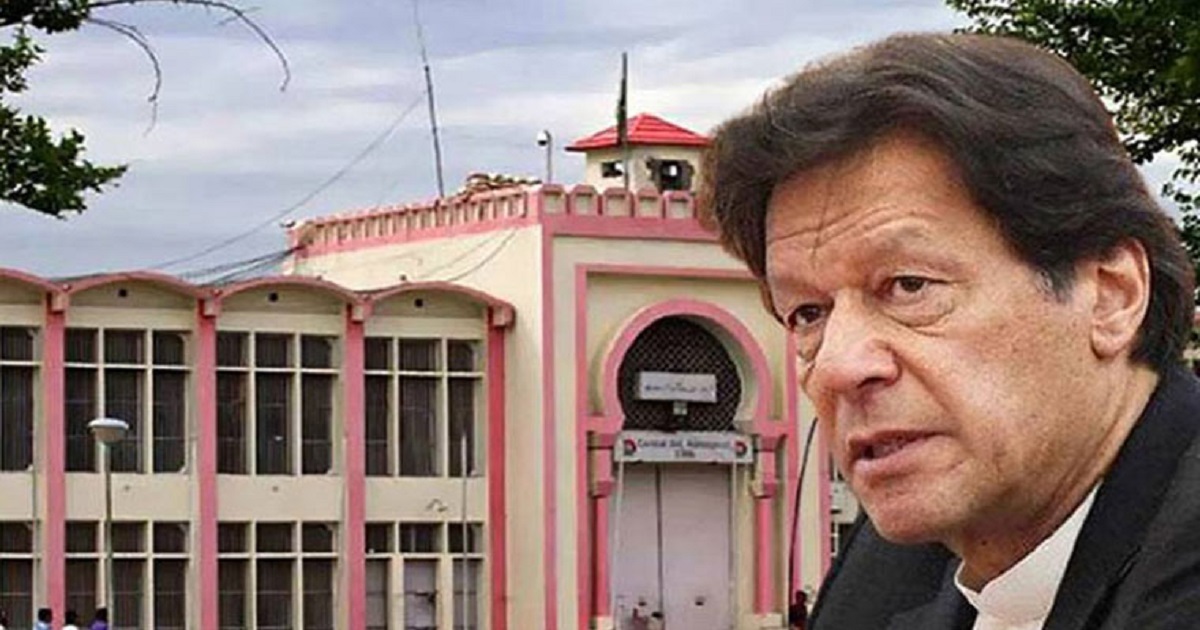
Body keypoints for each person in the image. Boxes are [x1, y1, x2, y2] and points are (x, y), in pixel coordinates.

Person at [698, 32, 1200, 629]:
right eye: (808, 314)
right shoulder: (885, 570)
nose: (836, 366)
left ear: (1111, 295)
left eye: (908, 285)